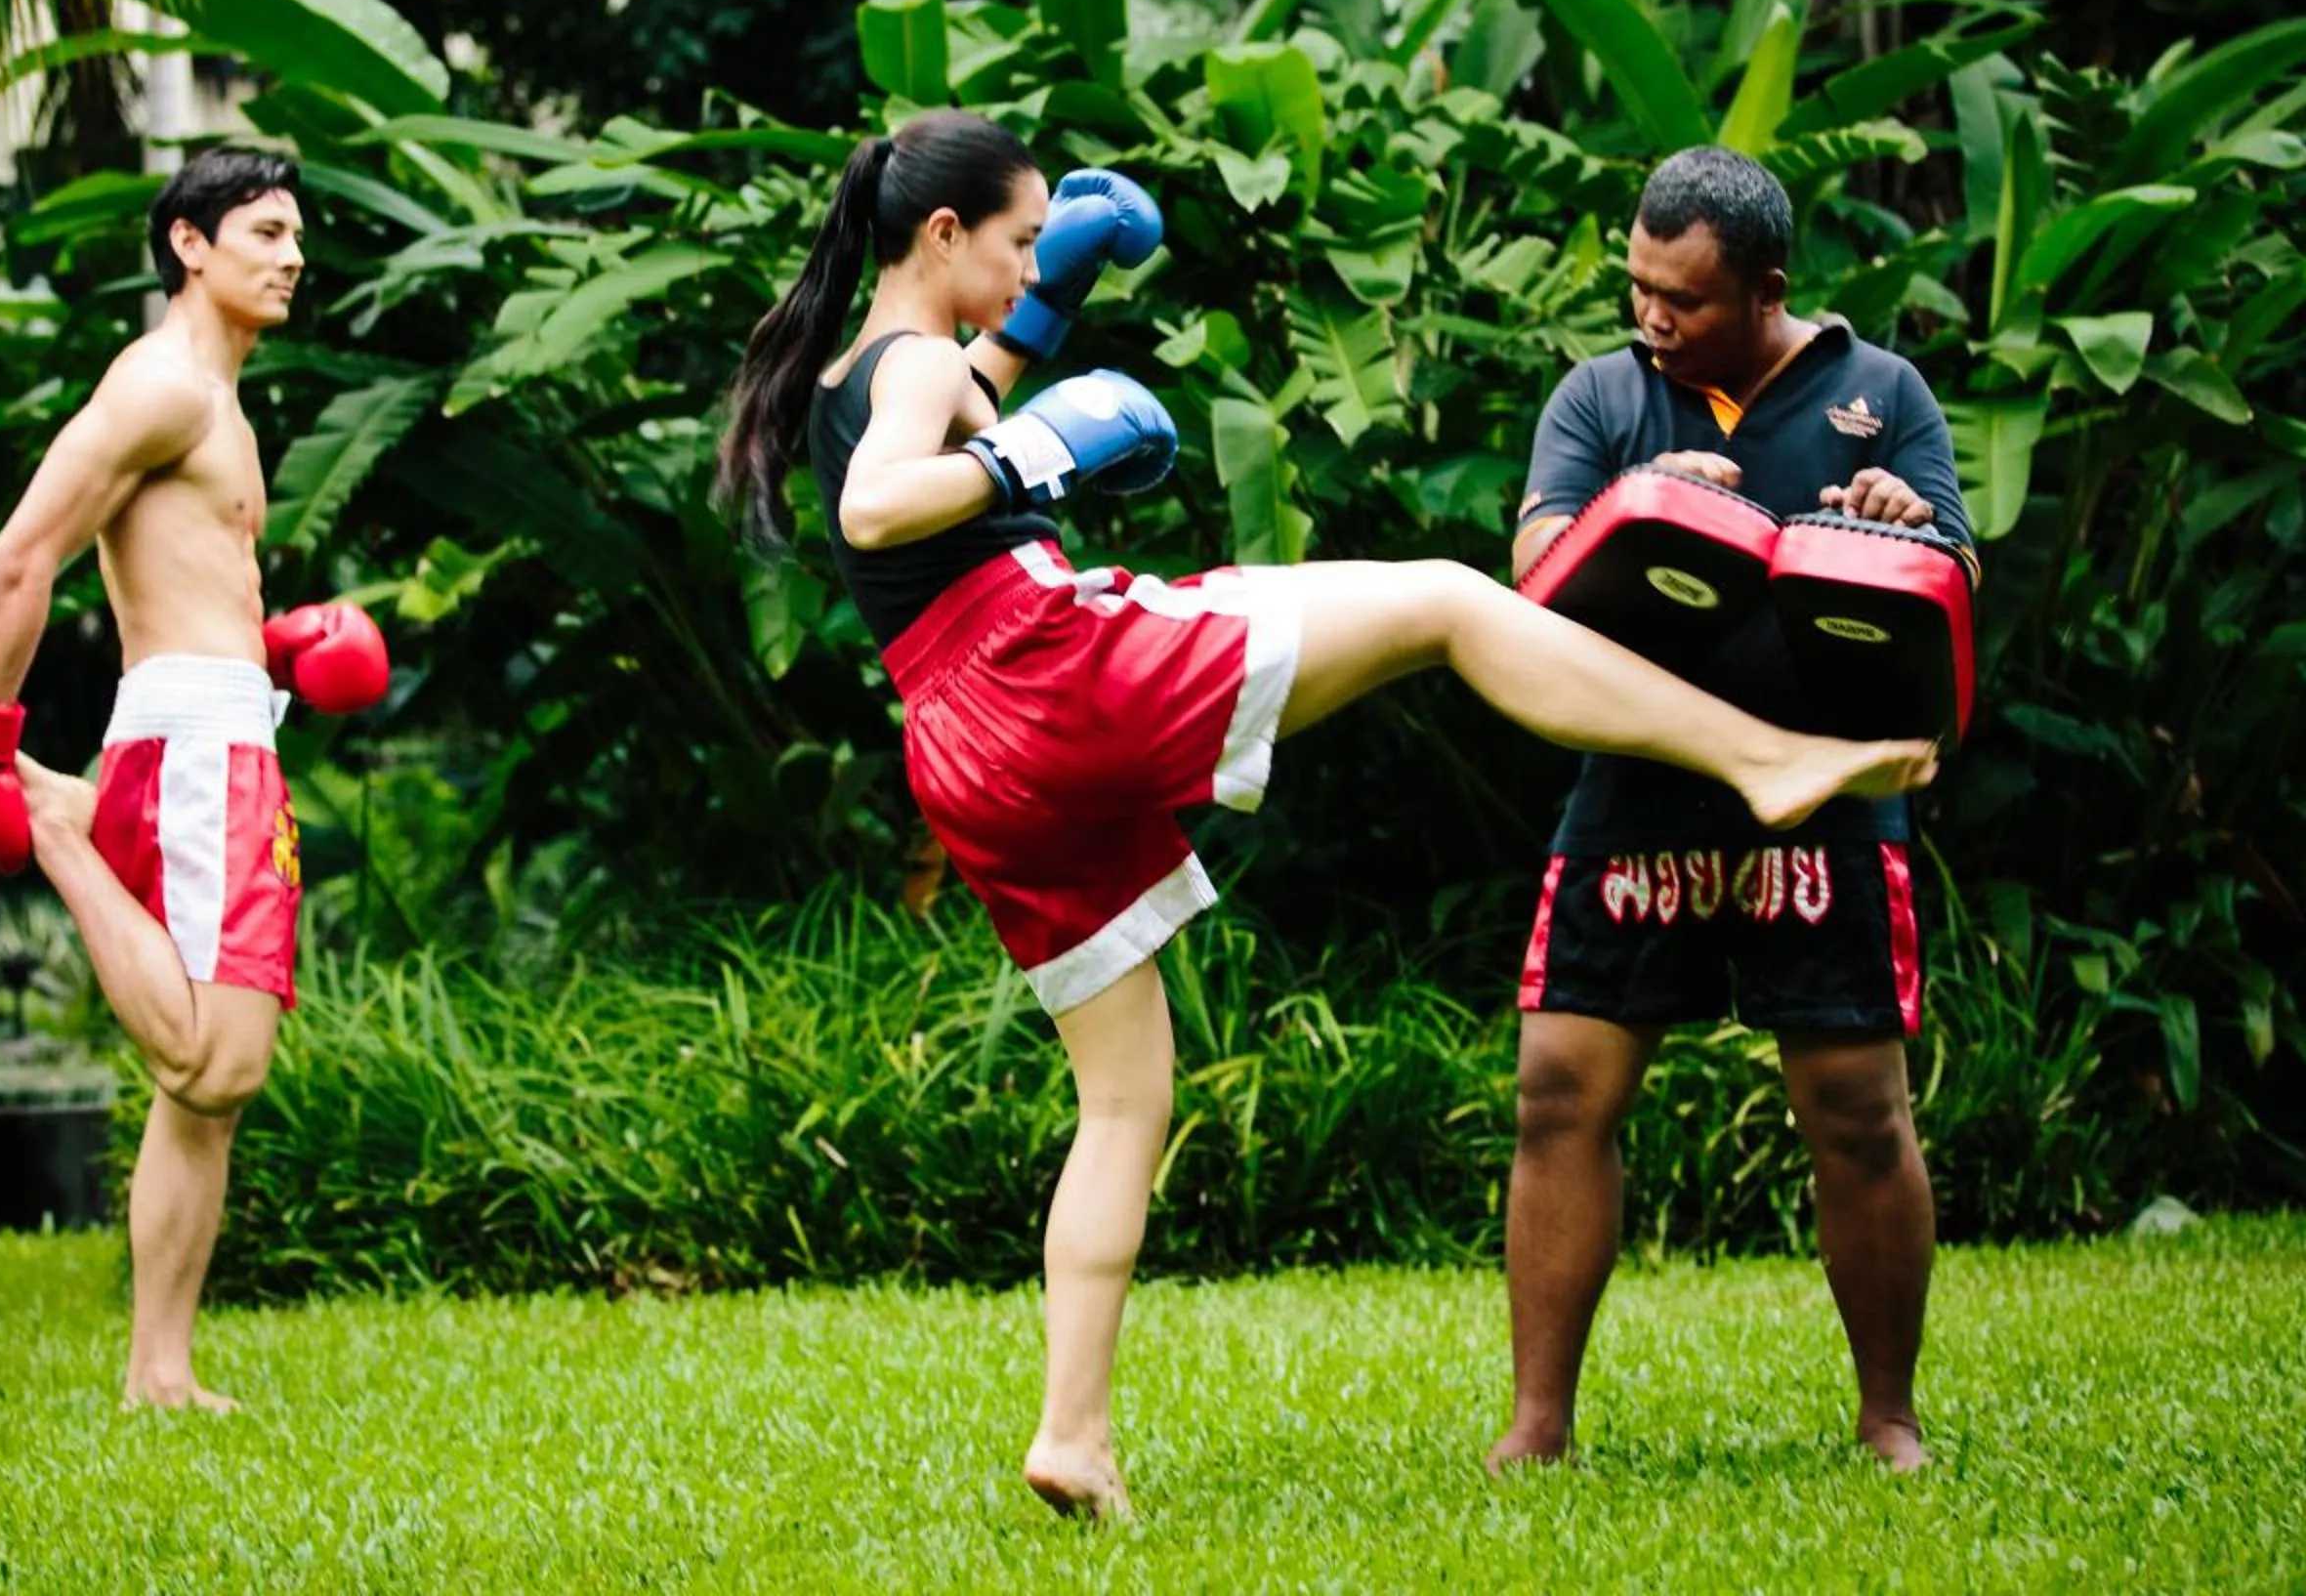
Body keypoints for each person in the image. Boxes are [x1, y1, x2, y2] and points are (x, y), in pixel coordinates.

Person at [713, 109, 1941, 1519]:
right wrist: (1040, 456)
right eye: (1020, 242)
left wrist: (1050, 315)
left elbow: (948, 398)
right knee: (1446, 601)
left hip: (966, 747)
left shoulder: (857, 367)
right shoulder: (922, 363)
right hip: (1046, 670)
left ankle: (1075, 1436)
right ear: (943, 235)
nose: (1029, 263)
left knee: (1122, 1099)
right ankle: (1762, 757)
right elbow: (885, 506)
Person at [1489, 145, 1977, 1476]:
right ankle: (1537, 1430)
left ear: (1768, 291)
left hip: (1822, 795)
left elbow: (1954, 585)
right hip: (1634, 790)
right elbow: (1533, 565)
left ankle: (1890, 1418)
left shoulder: (1885, 394)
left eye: (1685, 300)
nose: (1652, 318)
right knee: (1557, 1093)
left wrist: (1905, 522)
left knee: (1859, 1109)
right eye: (1638, 286)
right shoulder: (1602, 397)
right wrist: (1638, 509)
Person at [0, 147, 391, 1411]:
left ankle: (159, 1375)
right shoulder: (164, 388)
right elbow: (21, 561)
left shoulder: (218, 402)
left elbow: (175, 576)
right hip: (195, 756)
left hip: (218, 736)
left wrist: (275, 637)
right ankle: (60, 825)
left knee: (205, 1110)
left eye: (298, 234)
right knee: (213, 1066)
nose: (293, 255)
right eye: (267, 231)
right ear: (190, 243)